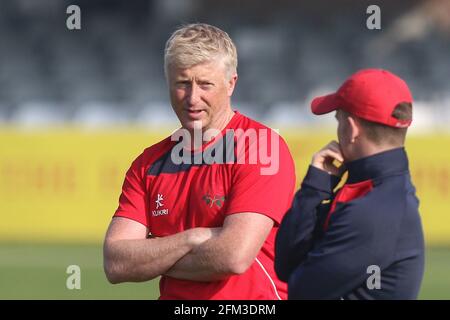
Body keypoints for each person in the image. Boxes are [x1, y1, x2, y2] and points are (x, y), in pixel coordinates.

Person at [103, 23, 296, 300]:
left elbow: (232, 257)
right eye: (182, 83)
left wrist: (155, 255)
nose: (193, 98)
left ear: (231, 84)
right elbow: (116, 263)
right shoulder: (148, 163)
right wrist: (192, 238)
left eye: (205, 84)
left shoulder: (262, 149)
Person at [275, 69, 425, 300]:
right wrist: (315, 188)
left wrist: (313, 189)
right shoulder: (377, 190)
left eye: (338, 120)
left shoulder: (375, 208)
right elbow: (287, 265)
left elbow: (300, 290)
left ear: (352, 129)